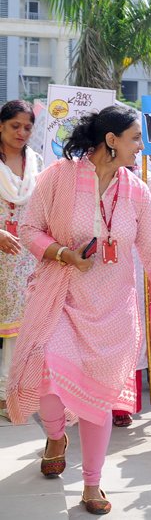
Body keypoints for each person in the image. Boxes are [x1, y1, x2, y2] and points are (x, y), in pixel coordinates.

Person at [6, 105, 151, 515]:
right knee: (49, 373)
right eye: (135, 139)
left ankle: (92, 484)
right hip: (61, 296)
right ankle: (55, 434)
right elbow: (30, 228)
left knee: (96, 400)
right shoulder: (59, 176)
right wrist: (62, 254)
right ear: (111, 140)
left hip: (112, 309)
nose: (141, 147)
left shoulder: (137, 190)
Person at [0, 100, 41, 421]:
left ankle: (8, 394)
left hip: (25, 258)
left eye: (27, 127)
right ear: (1, 126)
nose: (22, 132)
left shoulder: (36, 162)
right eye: (15, 125)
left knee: (19, 327)